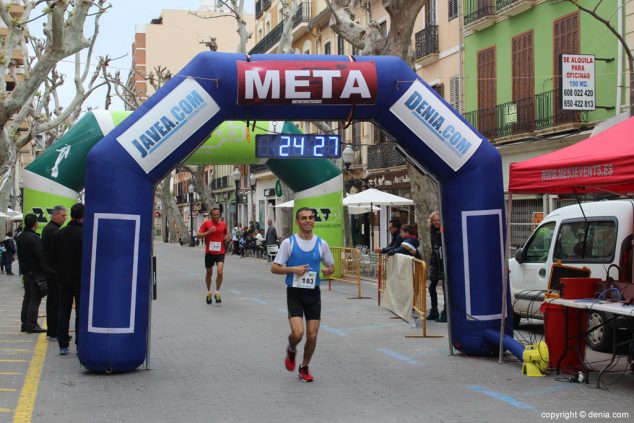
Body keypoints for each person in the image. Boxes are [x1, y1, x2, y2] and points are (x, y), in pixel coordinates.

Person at [271, 207, 335, 382]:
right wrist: (293, 269)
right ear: (297, 222)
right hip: (295, 294)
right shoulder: (289, 243)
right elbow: (274, 268)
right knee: (298, 333)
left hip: (313, 294)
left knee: (312, 335)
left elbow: (331, 265)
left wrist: (329, 270)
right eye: (304, 218)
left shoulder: (321, 243)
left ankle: (304, 366)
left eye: (311, 217)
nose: (308, 220)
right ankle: (291, 350)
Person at [52, 203, 83, 356]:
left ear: (70, 215)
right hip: (80, 279)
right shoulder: (84, 234)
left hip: (63, 279)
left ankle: (63, 345)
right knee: (80, 312)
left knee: (63, 311)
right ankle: (79, 345)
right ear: (83, 216)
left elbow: (52, 258)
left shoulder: (59, 234)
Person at [17, 213, 55, 333]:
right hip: (35, 273)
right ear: (35, 224)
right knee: (35, 298)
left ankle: (25, 323)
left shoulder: (20, 236)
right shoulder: (34, 238)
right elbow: (40, 258)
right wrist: (47, 271)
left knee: (27, 297)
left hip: (25, 272)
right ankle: (32, 325)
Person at [42, 205, 67, 341]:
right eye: (63, 216)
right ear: (55, 215)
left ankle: (53, 330)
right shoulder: (53, 231)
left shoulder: (49, 229)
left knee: (53, 300)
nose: (65, 218)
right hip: (53, 271)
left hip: (50, 270)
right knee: (55, 301)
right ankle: (54, 331)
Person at [197, 208, 229, 304]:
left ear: (220, 215)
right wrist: (208, 232)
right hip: (209, 252)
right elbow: (198, 235)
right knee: (209, 273)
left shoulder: (223, 224)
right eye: (214, 215)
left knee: (220, 272)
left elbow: (226, 234)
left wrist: (227, 237)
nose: (216, 216)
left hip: (220, 252)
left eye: (217, 214)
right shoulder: (206, 224)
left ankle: (217, 292)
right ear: (211, 215)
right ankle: (209, 292)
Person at [427, 212, 446, 323]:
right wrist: (430, 263)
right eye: (434, 220)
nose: (436, 222)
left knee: (445, 288)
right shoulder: (432, 232)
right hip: (435, 262)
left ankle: (446, 313)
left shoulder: (443, 231)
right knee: (431, 287)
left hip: (443, 262)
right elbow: (433, 249)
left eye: (438, 220)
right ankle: (434, 311)